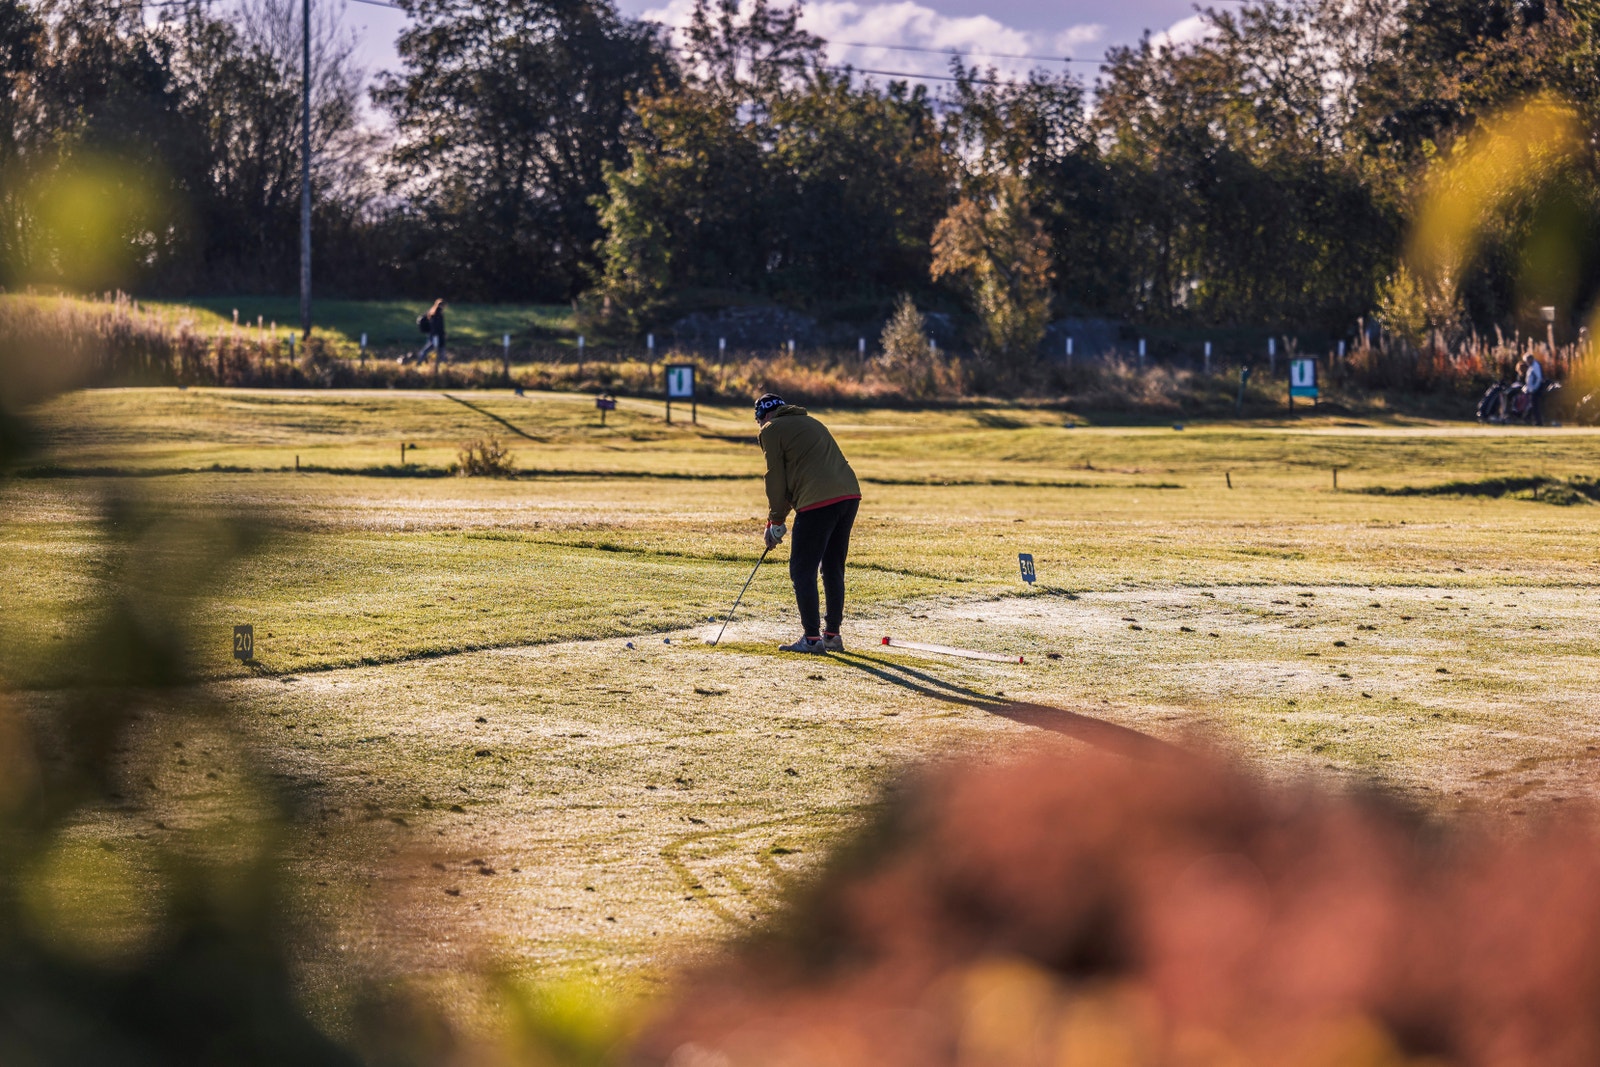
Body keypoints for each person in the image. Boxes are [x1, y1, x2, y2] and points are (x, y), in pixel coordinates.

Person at [754, 393, 861, 654]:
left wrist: (776, 520)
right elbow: (799, 476)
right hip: (849, 496)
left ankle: (812, 639)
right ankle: (832, 636)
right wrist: (776, 520)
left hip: (818, 503)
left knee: (802, 570)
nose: (760, 425)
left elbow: (775, 478)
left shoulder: (770, 430)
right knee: (832, 566)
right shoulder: (812, 422)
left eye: (758, 421)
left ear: (763, 416)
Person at [404, 299, 446, 364]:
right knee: (432, 348)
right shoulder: (437, 313)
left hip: (432, 334)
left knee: (435, 349)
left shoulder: (432, 311)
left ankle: (423, 361)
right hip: (436, 335)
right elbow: (438, 326)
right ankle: (420, 361)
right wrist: (441, 334)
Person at [1524, 351, 1545, 425]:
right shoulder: (1531, 366)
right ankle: (1530, 419)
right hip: (1532, 390)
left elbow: (1539, 378)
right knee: (1532, 405)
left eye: (1527, 360)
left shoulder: (1535, 366)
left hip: (1536, 390)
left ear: (1530, 359)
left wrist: (1534, 388)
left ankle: (1538, 422)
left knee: (1535, 406)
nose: (1526, 362)